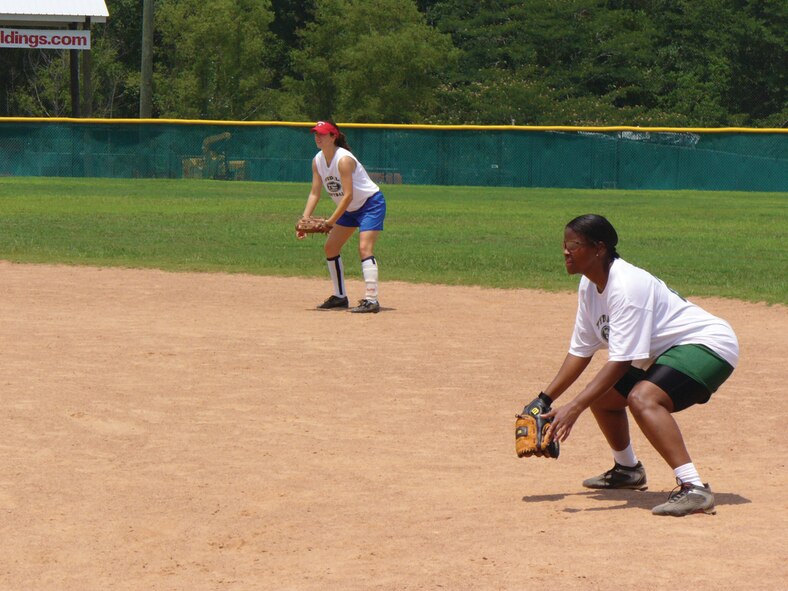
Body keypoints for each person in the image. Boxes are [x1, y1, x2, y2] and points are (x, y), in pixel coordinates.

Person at [532, 214, 739, 516]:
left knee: (643, 398)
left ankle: (693, 488)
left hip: (708, 345)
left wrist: (573, 408)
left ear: (599, 249)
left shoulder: (626, 287)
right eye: (564, 245)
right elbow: (581, 351)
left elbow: (620, 362)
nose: (565, 252)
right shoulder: (589, 287)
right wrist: (543, 399)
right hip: (664, 352)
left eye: (573, 245)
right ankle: (628, 471)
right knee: (603, 398)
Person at [297, 120, 386, 314]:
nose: (317, 137)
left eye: (322, 133)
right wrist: (304, 221)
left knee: (364, 248)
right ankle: (339, 296)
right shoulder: (318, 160)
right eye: (315, 133)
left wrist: (330, 222)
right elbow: (315, 193)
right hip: (349, 209)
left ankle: (372, 300)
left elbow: (348, 195)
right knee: (331, 247)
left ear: (333, 136)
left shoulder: (344, 160)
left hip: (370, 204)